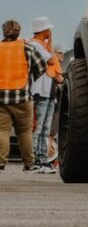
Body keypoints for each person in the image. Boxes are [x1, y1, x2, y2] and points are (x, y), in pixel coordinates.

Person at [0, 19, 49, 174]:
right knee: (25, 132)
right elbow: (42, 67)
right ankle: (29, 164)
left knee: (2, 130)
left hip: (1, 98)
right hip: (23, 97)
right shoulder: (27, 48)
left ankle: (0, 163)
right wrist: (30, 77)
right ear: (18, 32)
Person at [30, 17, 63, 173]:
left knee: (45, 128)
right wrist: (51, 43)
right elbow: (51, 60)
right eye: (48, 29)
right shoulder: (35, 45)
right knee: (39, 127)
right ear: (42, 30)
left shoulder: (42, 45)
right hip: (40, 90)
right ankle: (37, 159)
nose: (50, 32)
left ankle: (43, 159)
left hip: (49, 91)